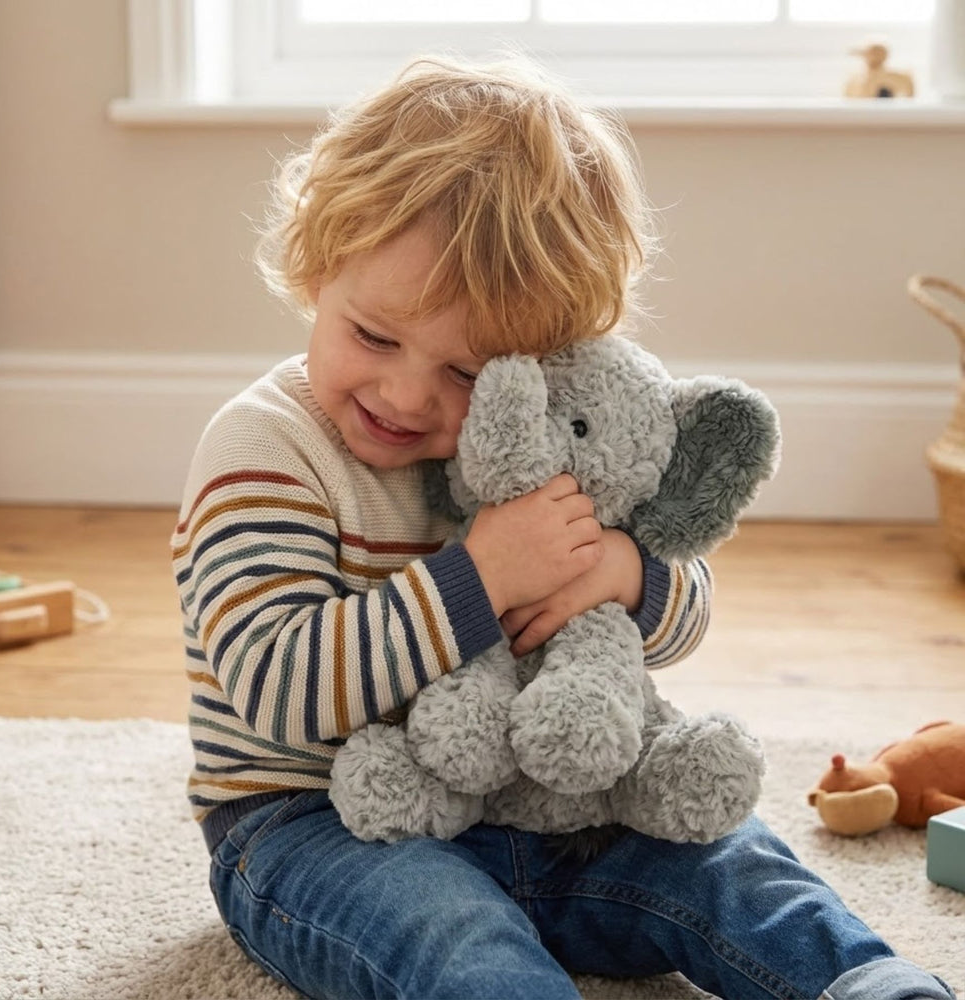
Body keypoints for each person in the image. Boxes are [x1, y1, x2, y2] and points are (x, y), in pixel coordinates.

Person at [171, 54, 955, 1000]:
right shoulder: (264, 447)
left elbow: (683, 612)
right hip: (318, 824)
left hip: (548, 811)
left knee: (733, 860)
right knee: (455, 938)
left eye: (468, 372)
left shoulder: (546, 431)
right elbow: (278, 687)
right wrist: (482, 577)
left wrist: (620, 569)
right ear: (317, 269)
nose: (406, 394)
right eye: (373, 336)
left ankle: (872, 983)